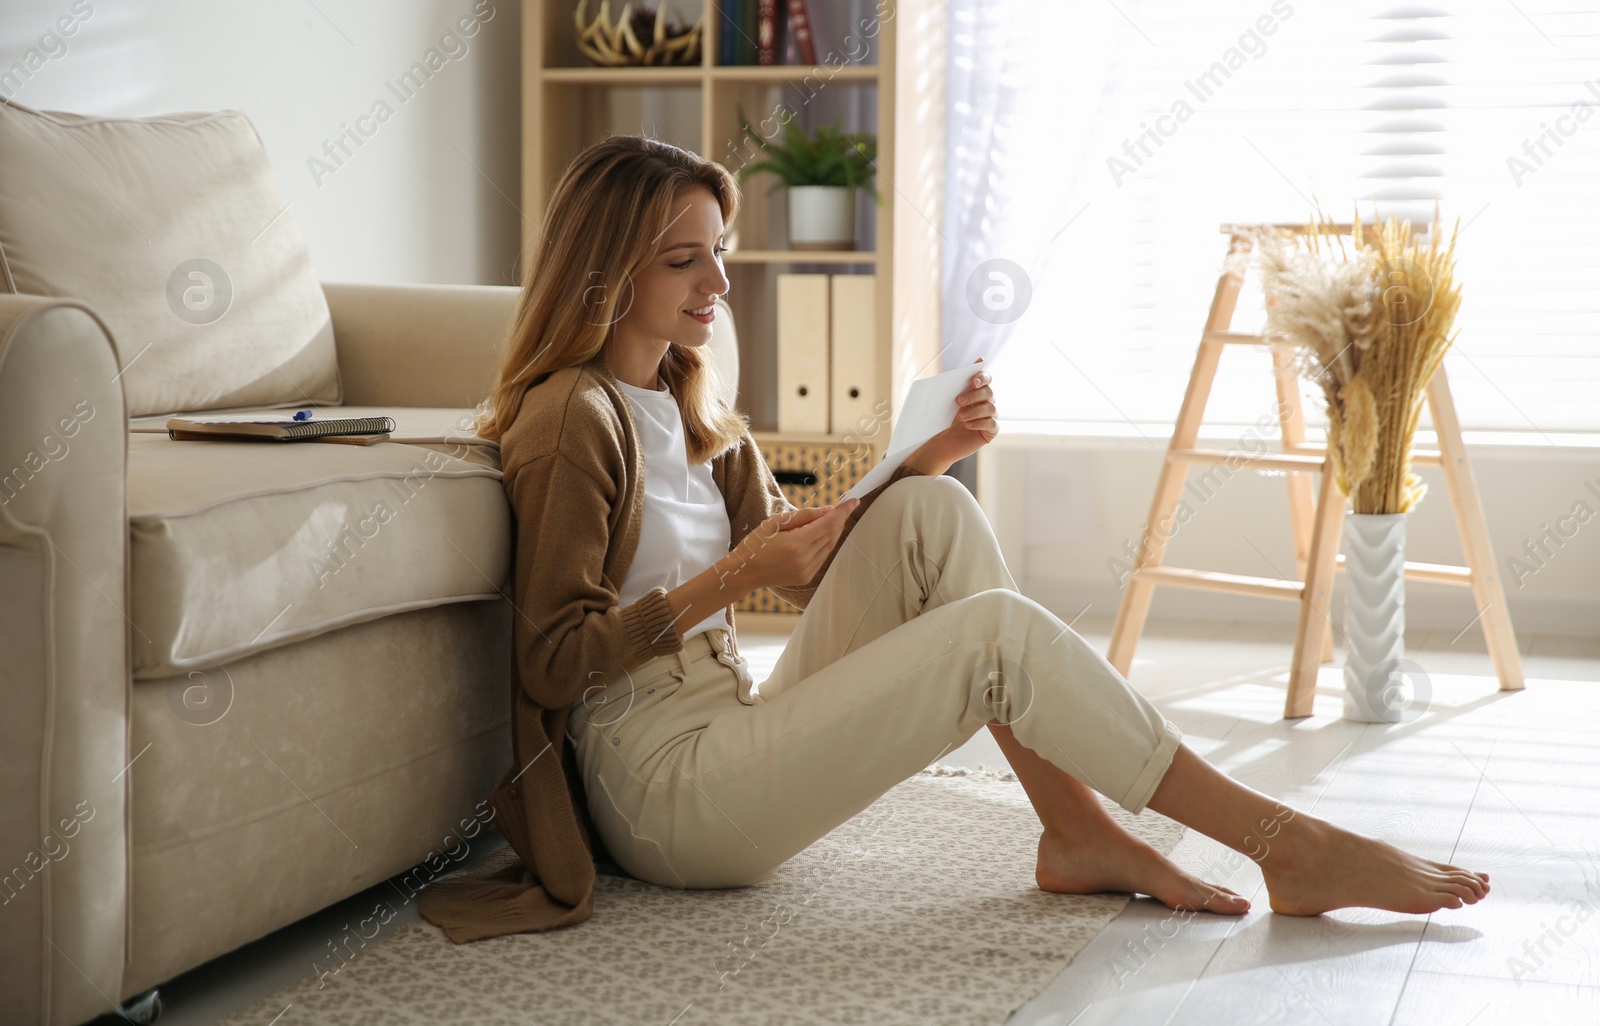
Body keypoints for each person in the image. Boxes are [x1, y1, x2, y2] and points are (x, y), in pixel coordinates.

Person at [417, 135, 1489, 943]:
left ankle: (1072, 829)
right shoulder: (572, 415)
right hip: (660, 790)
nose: (719, 285)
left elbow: (815, 575)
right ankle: (1283, 842)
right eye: (684, 262)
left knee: (933, 513)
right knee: (993, 639)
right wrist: (733, 575)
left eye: (721, 252)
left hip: (728, 717)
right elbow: (550, 660)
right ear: (608, 270)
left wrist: (921, 457)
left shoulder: (690, 404)